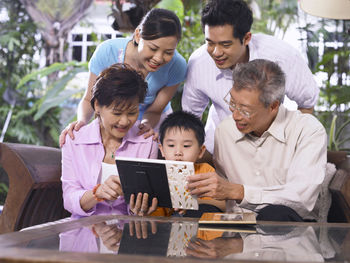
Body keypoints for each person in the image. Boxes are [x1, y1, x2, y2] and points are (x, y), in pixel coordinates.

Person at [187, 59, 327, 221]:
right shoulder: (225, 130)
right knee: (195, 213)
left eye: (245, 110)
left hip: (289, 229)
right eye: (232, 102)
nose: (235, 115)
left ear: (273, 106)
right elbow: (223, 193)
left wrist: (239, 192)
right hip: (237, 228)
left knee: (274, 214)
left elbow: (300, 199)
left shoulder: (308, 130)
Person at [182, 0, 319, 154]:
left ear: (246, 38)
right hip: (220, 147)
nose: (216, 52)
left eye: (225, 45)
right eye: (210, 43)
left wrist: (289, 149)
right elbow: (191, 117)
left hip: (271, 148)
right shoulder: (199, 63)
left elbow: (306, 103)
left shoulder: (282, 57)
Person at [59, 8, 187, 146]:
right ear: (138, 35)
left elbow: (155, 111)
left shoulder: (177, 66)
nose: (158, 58)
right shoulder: (107, 51)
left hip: (151, 123)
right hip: (112, 121)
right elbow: (89, 99)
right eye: (153, 48)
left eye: (168, 52)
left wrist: (143, 127)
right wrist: (82, 122)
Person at [61, 63, 159, 219]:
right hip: (83, 232)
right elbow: (68, 199)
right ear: (97, 105)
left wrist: (140, 209)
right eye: (117, 113)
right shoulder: (74, 140)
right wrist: (96, 193)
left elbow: (145, 200)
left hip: (128, 232)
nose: (125, 121)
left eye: (133, 112)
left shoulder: (147, 142)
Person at [152, 110, 225, 217]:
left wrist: (192, 203)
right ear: (162, 149)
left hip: (199, 226)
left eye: (186, 146)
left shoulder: (205, 172)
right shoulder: (158, 175)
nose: (178, 152)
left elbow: (223, 205)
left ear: (200, 151)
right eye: (171, 145)